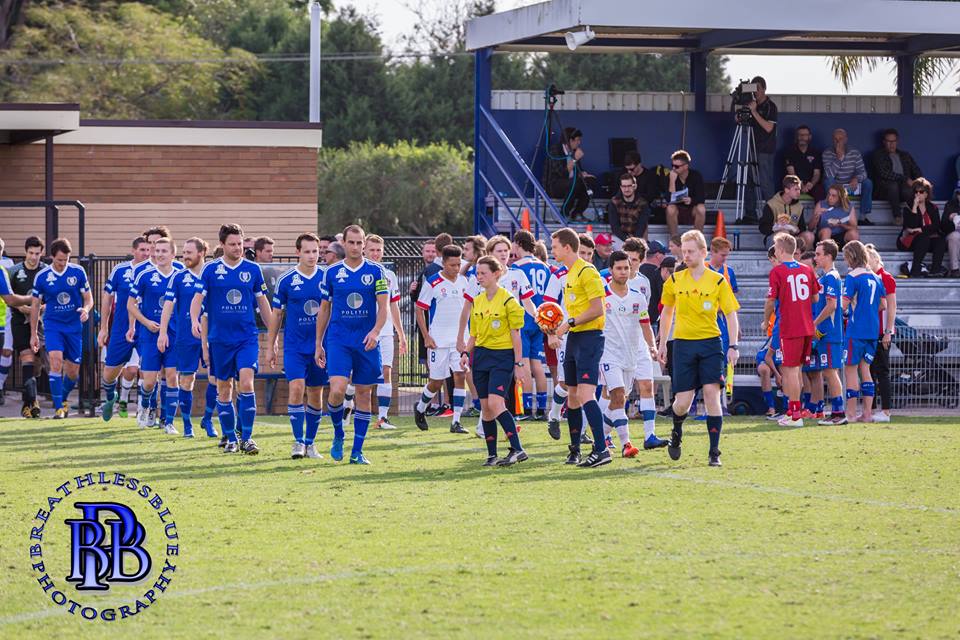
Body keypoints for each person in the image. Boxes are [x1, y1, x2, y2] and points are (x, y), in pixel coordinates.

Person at [657, 230, 740, 467]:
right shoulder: (674, 280)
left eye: (691, 251)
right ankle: (676, 431)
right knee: (682, 402)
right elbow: (667, 313)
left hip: (711, 343)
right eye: (684, 251)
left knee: (712, 394)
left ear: (704, 252)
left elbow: (731, 314)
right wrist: (663, 344)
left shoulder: (718, 281)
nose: (686, 255)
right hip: (683, 345)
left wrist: (733, 345)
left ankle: (714, 452)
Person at [190, 223, 273, 455]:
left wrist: (273, 334)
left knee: (246, 383)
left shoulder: (253, 270)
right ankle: (231, 438)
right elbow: (197, 299)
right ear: (222, 245)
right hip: (219, 339)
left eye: (240, 244)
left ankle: (247, 438)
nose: (238, 248)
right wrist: (194, 320)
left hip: (246, 337)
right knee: (224, 388)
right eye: (233, 244)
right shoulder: (210, 269)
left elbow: (263, 304)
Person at [314, 224, 388, 466]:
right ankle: (338, 433)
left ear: (364, 244)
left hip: (366, 341)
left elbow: (384, 307)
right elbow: (324, 309)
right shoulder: (332, 273)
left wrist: (375, 332)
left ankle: (357, 451)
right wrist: (318, 343)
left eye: (359, 243)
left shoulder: (376, 271)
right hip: (339, 339)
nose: (356, 247)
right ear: (343, 244)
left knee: (364, 393)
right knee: (337, 389)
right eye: (352, 242)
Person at [548, 227, 610, 468]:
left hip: (589, 338)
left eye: (554, 247)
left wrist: (568, 324)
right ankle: (575, 450)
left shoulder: (587, 271)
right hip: (574, 338)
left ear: (566, 247)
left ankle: (601, 449)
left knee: (585, 394)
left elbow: (598, 309)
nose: (552, 251)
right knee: (572, 396)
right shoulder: (569, 273)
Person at [459, 255, 527, 467]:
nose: (479, 277)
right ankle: (492, 455)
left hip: (502, 357)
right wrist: (465, 353)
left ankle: (517, 449)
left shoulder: (508, 300)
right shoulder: (477, 301)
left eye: (483, 273)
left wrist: (518, 364)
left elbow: (516, 335)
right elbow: (474, 334)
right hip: (481, 356)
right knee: (486, 407)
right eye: (477, 273)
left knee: (496, 403)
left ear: (497, 274)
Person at [265, 233, 327, 459]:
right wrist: (271, 345)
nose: (312, 256)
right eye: (307, 251)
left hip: (320, 347)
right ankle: (298, 442)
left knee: (316, 393)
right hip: (294, 347)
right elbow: (277, 314)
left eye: (315, 251)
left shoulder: (326, 277)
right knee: (297, 387)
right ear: (298, 252)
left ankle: (310, 443)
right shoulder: (287, 280)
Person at [599, 250, 666, 456]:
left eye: (626, 268)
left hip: (632, 354)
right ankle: (626, 444)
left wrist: (652, 347)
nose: (623, 272)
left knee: (618, 401)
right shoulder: (601, 295)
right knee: (618, 395)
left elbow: (645, 325)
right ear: (610, 270)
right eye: (618, 268)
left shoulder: (638, 297)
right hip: (609, 354)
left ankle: (600, 437)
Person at [155, 237, 218, 438]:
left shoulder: (213, 274)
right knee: (187, 380)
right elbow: (167, 306)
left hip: (212, 336)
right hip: (186, 337)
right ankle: (187, 424)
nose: (185, 256)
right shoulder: (178, 277)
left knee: (216, 379)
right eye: (183, 252)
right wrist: (163, 332)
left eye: (189, 253)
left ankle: (207, 419)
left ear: (201, 253)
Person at [29, 238, 93, 419]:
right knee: (56, 362)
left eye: (66, 259)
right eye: (59, 260)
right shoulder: (42, 276)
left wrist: (86, 310)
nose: (63, 263)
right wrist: (33, 334)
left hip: (74, 327)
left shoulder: (78, 272)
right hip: (53, 325)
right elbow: (35, 305)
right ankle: (58, 408)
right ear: (51, 257)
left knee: (73, 372)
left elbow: (88, 298)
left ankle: (62, 398)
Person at [764, 233, 818, 427]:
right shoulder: (807, 269)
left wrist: (766, 321)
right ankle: (793, 412)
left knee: (790, 370)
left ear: (780, 250)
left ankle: (795, 415)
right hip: (806, 326)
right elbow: (815, 298)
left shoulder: (777, 272)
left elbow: (770, 301)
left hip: (790, 326)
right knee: (797, 370)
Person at [414, 244, 470, 433]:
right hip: (438, 341)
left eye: (458, 264)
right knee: (436, 382)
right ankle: (420, 407)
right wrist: (426, 336)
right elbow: (419, 309)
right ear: (444, 263)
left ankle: (456, 421)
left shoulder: (464, 281)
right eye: (452, 265)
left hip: (459, 341)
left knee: (460, 376)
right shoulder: (433, 282)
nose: (456, 268)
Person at [128, 238, 180, 435]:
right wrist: (146, 322)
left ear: (173, 254)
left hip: (174, 334)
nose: (159, 254)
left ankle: (168, 421)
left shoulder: (180, 275)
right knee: (149, 381)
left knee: (172, 377)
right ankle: (146, 407)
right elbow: (130, 305)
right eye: (157, 251)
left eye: (164, 251)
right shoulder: (144, 275)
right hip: (150, 335)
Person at [362, 235, 407, 430]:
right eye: (372, 249)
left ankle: (382, 418)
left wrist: (401, 334)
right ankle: (347, 406)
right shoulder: (358, 273)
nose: (375, 253)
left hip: (386, 331)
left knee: (385, 371)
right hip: (363, 330)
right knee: (359, 375)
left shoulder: (389, 275)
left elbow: (393, 305)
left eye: (378, 250)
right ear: (364, 250)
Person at [510, 230, 555, 420]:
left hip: (523, 318)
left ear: (518, 244)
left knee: (525, 363)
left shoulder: (516, 267)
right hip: (541, 318)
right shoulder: (545, 266)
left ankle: (527, 410)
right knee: (538, 364)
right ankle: (542, 409)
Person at [840, 241, 885, 423]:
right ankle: (867, 414)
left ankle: (850, 414)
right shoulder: (876, 277)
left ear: (851, 256)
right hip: (872, 330)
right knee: (865, 370)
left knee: (850, 370)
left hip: (856, 329)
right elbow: (883, 304)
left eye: (846, 257)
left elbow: (843, 304)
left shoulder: (852, 276)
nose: (845, 261)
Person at [6, 237, 45, 418]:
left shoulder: (46, 271)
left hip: (42, 323)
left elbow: (52, 297)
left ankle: (26, 404)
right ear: (25, 252)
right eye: (31, 253)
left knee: (36, 365)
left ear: (41, 253)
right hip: (20, 321)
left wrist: (40, 308)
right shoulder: (14, 272)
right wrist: (21, 307)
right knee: (27, 357)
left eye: (37, 253)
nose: (34, 257)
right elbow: (7, 297)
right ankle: (34, 401)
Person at [812, 239, 848, 425]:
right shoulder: (825, 277)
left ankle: (839, 413)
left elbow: (832, 305)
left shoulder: (831, 277)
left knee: (830, 372)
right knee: (828, 372)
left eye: (818, 254)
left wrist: (814, 323)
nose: (815, 257)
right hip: (824, 334)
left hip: (830, 333)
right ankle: (836, 412)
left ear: (828, 256)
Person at [736, 76, 778, 220]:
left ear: (764, 89)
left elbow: (769, 128)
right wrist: (741, 113)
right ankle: (750, 214)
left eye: (758, 89)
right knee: (749, 181)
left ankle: (772, 215)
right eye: (753, 89)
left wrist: (754, 112)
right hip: (752, 148)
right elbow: (739, 121)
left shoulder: (770, 106)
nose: (755, 92)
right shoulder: (751, 105)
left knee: (765, 183)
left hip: (765, 150)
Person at [865, 244, 897, 423]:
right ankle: (871, 409)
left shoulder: (886, 278)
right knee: (869, 371)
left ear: (875, 259)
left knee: (882, 371)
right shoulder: (870, 277)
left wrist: (888, 331)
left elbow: (891, 306)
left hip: (882, 331)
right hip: (870, 331)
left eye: (868, 259)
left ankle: (886, 411)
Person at [871, 128, 922, 226]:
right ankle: (897, 217)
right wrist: (905, 179)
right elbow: (884, 173)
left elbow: (916, 170)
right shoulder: (878, 155)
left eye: (894, 141)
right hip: (885, 189)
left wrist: (919, 182)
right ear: (884, 142)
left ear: (897, 141)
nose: (891, 144)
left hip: (903, 188)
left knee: (909, 190)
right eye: (889, 141)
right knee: (893, 185)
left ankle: (918, 216)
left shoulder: (905, 155)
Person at [821, 128, 873, 224]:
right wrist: (839, 158)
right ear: (832, 140)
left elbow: (863, 173)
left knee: (868, 182)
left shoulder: (854, 152)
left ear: (845, 139)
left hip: (852, 186)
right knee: (828, 181)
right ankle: (835, 214)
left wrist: (856, 178)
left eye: (840, 139)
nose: (838, 142)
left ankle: (862, 217)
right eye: (835, 139)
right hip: (836, 186)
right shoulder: (827, 153)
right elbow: (829, 175)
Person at [898, 177, 947, 277]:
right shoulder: (908, 207)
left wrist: (920, 229)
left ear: (926, 194)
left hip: (927, 239)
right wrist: (914, 207)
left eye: (921, 192)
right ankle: (915, 270)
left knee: (940, 241)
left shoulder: (932, 207)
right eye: (916, 192)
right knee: (923, 238)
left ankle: (935, 270)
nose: (918, 194)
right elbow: (910, 226)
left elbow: (936, 226)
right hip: (910, 240)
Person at [544, 127, 592, 219]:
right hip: (554, 185)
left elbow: (578, 170)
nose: (579, 143)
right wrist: (574, 159)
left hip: (571, 184)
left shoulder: (574, 151)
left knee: (590, 182)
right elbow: (562, 174)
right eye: (577, 140)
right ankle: (564, 213)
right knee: (575, 183)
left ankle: (577, 213)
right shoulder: (555, 150)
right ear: (570, 140)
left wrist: (583, 174)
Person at [760, 175, 814, 251]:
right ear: (786, 190)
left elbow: (802, 228)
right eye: (796, 189)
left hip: (793, 237)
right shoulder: (771, 204)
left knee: (809, 235)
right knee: (784, 233)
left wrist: (797, 230)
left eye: (799, 189)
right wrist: (776, 227)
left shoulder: (799, 206)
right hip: (774, 239)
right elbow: (763, 228)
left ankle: (803, 258)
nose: (799, 192)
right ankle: (783, 258)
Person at [665, 150, 706, 236]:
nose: (673, 168)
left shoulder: (696, 176)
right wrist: (672, 181)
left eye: (677, 166)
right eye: (672, 165)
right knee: (670, 208)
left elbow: (701, 198)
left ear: (686, 166)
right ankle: (674, 239)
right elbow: (668, 200)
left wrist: (691, 200)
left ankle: (696, 238)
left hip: (691, 209)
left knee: (701, 208)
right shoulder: (670, 176)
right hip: (677, 210)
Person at [810, 183, 859, 247]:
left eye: (833, 196)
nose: (830, 198)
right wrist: (816, 217)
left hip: (840, 236)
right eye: (829, 194)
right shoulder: (821, 204)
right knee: (827, 231)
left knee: (854, 234)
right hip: (823, 235)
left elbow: (854, 228)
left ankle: (855, 252)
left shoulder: (848, 207)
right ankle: (825, 251)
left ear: (840, 198)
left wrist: (840, 224)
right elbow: (810, 228)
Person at [785, 125, 825, 202]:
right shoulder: (790, 152)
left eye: (805, 135)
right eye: (800, 135)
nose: (802, 137)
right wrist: (800, 184)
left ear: (809, 137)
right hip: (795, 183)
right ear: (796, 137)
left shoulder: (815, 152)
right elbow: (791, 173)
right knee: (790, 189)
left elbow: (817, 174)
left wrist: (811, 184)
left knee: (819, 190)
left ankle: (819, 210)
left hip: (810, 184)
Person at [608, 173, 650, 241]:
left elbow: (641, 226)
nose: (626, 189)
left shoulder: (643, 204)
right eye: (624, 186)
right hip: (619, 238)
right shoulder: (614, 202)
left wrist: (633, 241)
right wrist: (626, 239)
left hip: (637, 238)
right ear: (621, 187)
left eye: (629, 186)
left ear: (635, 186)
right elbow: (615, 227)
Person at [638, 240, 666, 328]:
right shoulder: (658, 273)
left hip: (636, 320)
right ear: (658, 255)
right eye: (664, 254)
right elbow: (664, 298)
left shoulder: (637, 271)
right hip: (651, 322)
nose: (665, 256)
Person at [942, 187, 960, 278]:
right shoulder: (950, 205)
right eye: (959, 193)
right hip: (954, 234)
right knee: (954, 236)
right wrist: (950, 220)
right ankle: (955, 269)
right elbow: (943, 227)